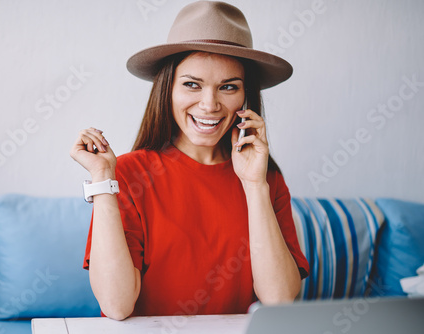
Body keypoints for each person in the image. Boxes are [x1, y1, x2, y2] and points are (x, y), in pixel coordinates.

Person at [70, 1, 309, 320]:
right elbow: (116, 305)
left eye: (228, 87)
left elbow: (278, 300)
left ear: (245, 97)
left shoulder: (266, 178)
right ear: (167, 89)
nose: (209, 104)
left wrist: (254, 186)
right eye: (192, 84)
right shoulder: (127, 173)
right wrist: (102, 178)